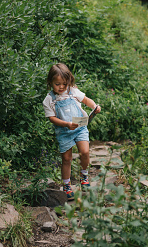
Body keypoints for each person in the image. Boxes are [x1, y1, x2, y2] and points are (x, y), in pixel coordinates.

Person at [42, 63, 101, 200]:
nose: (61, 87)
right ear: (50, 82)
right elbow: (51, 118)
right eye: (57, 84)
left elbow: (86, 100)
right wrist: (67, 124)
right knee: (66, 159)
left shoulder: (72, 91)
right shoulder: (49, 99)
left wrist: (95, 106)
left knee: (85, 152)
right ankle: (67, 185)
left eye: (64, 83)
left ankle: (84, 176)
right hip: (64, 132)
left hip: (80, 127)